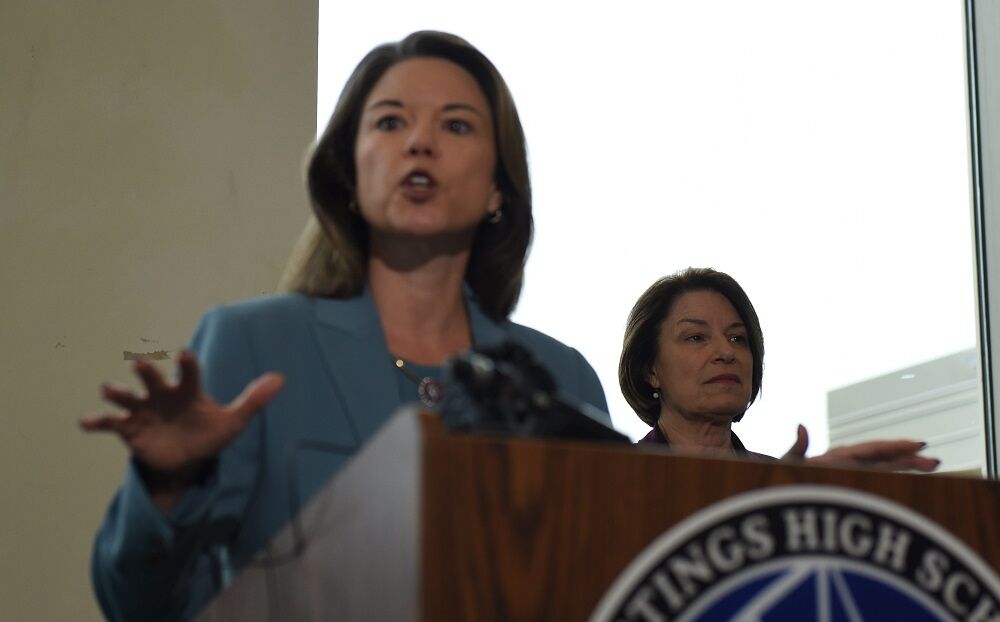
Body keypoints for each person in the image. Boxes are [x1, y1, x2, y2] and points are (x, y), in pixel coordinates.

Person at [82, 31, 609, 622]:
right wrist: (166, 487)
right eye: (390, 123)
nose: (419, 143)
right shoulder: (254, 345)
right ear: (351, 176)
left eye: (456, 126)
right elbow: (142, 608)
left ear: (497, 190)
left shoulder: (563, 380)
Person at [619, 267, 940, 469]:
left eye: (737, 338)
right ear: (650, 370)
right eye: (696, 337)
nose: (726, 352)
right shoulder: (615, 476)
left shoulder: (782, 479)